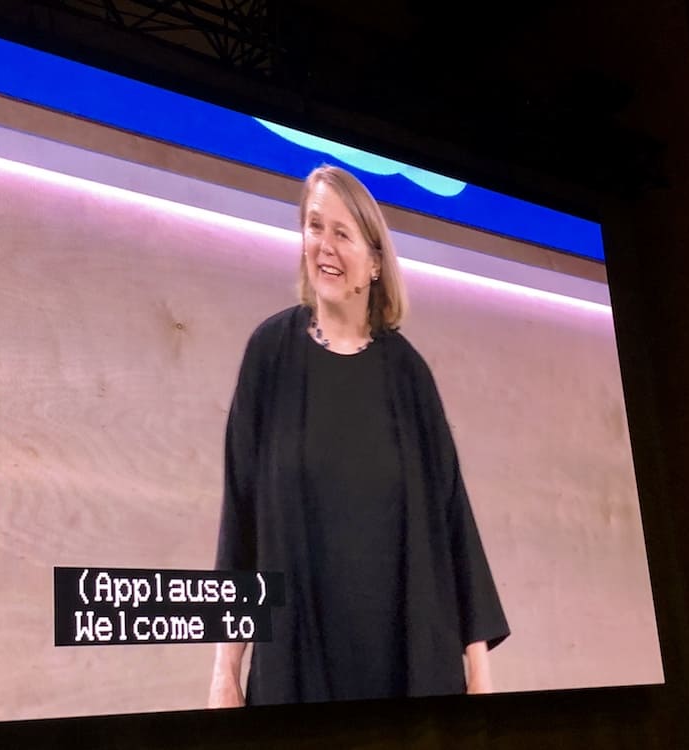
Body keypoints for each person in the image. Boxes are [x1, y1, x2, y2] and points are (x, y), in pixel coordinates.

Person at [208, 165, 509, 708]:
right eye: (314, 226)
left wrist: (480, 672)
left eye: (342, 233)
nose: (323, 245)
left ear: (374, 263)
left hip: (408, 666)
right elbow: (241, 520)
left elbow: (453, 522)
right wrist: (224, 671)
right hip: (298, 664)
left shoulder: (408, 374)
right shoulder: (269, 356)